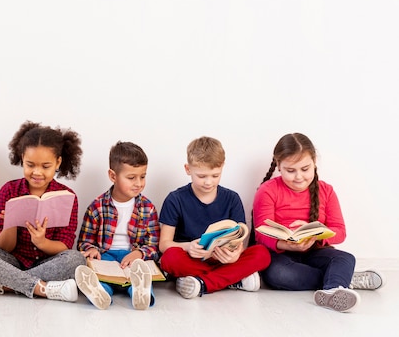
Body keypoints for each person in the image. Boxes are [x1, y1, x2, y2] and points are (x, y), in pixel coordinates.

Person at [253, 132, 384, 312]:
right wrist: (287, 244)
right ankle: (340, 280)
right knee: (279, 275)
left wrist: (316, 236)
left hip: (314, 251)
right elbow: (261, 233)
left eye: (305, 169)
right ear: (278, 166)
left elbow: (340, 231)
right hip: (281, 256)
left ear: (314, 162)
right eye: (290, 171)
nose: (299, 177)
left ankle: (333, 289)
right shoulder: (268, 190)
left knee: (345, 258)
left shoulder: (326, 191)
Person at [0, 120, 86, 302]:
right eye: (30, 165)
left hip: (47, 262)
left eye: (45, 166)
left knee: (76, 260)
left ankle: (3, 284)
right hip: (12, 259)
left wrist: (42, 242)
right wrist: (10, 223)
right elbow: (4, 246)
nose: (37, 172)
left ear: (58, 162)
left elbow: (64, 246)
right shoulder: (9, 191)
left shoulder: (68, 196)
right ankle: (41, 288)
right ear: (22, 158)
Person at [159, 136, 271, 299]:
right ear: (188, 169)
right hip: (192, 260)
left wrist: (235, 255)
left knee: (262, 253)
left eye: (215, 175)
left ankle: (202, 283)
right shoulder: (175, 199)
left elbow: (240, 239)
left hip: (224, 260)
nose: (208, 182)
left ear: (222, 167)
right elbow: (164, 244)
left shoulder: (232, 198)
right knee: (169, 259)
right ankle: (233, 279)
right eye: (202, 176)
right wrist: (189, 247)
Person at [75, 141, 160, 310]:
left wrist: (139, 253)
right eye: (131, 178)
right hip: (105, 256)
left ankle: (139, 291)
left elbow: (153, 246)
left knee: (140, 273)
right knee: (99, 276)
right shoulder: (97, 207)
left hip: (132, 258)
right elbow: (84, 242)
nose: (139, 183)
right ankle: (101, 293)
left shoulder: (148, 208)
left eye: (142, 176)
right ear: (113, 176)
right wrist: (91, 250)